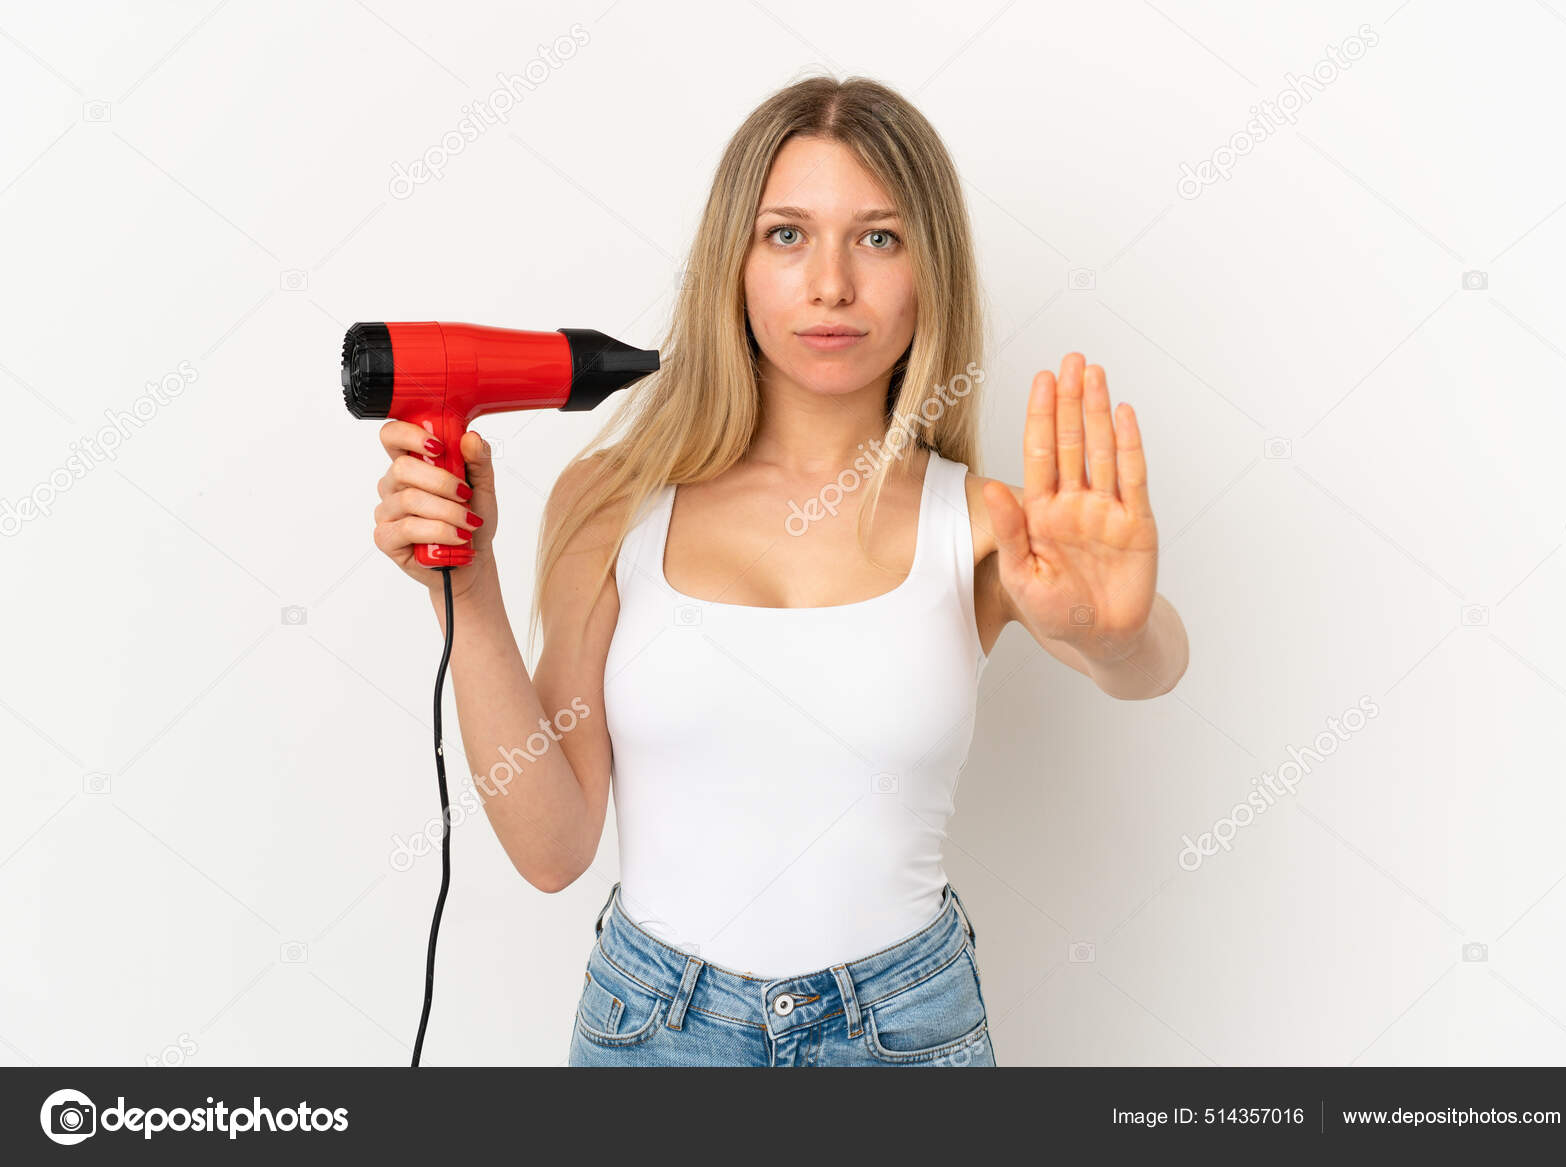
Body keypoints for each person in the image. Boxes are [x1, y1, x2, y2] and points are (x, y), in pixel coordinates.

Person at [369, 74, 1188, 1067]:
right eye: (787, 235)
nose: (831, 284)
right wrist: (468, 587)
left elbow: (1146, 668)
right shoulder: (612, 500)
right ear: (735, 262)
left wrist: (1117, 634)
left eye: (878, 237)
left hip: (903, 1033)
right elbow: (552, 849)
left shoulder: (975, 522)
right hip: (652, 1034)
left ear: (931, 270)